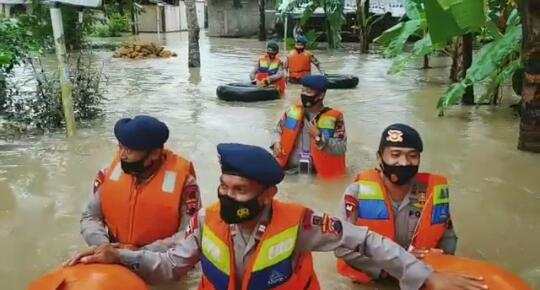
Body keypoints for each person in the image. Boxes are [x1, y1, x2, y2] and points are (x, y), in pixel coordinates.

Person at [65, 143, 487, 290]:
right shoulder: (208, 220)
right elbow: (170, 265)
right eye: (225, 188)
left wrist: (425, 275)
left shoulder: (301, 222)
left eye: (241, 191)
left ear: (268, 193)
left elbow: (365, 240)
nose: (229, 198)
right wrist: (120, 256)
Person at [336, 123, 458, 283]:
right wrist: (395, 266)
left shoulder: (432, 193)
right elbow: (341, 246)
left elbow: (448, 238)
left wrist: (438, 263)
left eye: (412, 156)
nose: (404, 162)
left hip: (420, 278)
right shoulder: (356, 193)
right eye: (395, 155)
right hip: (372, 280)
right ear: (379, 158)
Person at [80, 115, 201, 252]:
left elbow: (189, 234)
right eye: (120, 147)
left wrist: (139, 254)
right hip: (111, 250)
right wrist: (103, 245)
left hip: (161, 259)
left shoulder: (185, 185)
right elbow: (90, 216)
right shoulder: (108, 174)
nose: (122, 155)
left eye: (129, 150)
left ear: (154, 153)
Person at [271, 75, 346, 178]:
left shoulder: (336, 118)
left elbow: (341, 147)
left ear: (321, 95)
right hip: (289, 172)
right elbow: (277, 130)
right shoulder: (291, 112)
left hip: (316, 176)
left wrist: (319, 137)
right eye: (303, 90)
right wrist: (276, 143)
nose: (304, 94)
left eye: (309, 92)